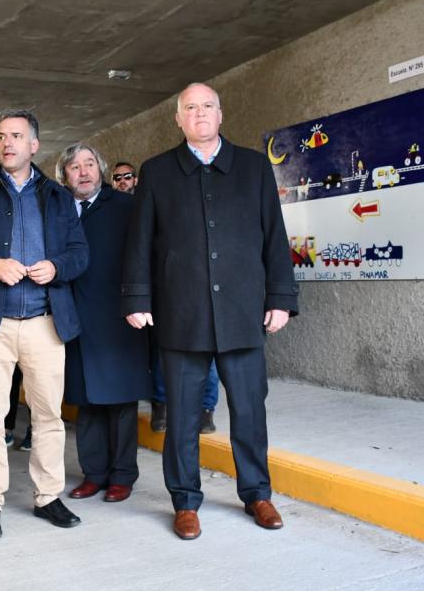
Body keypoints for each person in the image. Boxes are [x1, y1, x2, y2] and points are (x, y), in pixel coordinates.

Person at [122, 83, 298, 540]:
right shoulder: (158, 172)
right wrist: (138, 300)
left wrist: (280, 298)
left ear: (221, 114)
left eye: (207, 106)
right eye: (189, 109)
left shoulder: (255, 168)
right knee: (182, 415)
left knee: (248, 410)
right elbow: (139, 242)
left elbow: (274, 238)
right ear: (178, 120)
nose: (199, 114)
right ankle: (184, 502)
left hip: (242, 313)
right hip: (181, 315)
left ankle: (257, 493)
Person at [0, 109, 89, 541]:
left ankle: (48, 496)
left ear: (34, 145)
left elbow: (81, 254)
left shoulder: (59, 197)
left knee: (48, 418)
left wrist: (56, 267)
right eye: (2, 136)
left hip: (45, 323)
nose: (8, 143)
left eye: (17, 136)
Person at [57, 144, 151, 503]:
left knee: (121, 402)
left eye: (89, 164)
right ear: (64, 175)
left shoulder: (128, 207)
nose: (83, 172)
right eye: (74, 167)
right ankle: (93, 474)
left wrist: (140, 304)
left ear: (101, 169)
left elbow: (144, 259)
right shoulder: (58, 210)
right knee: (86, 401)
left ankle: (123, 476)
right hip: (75, 319)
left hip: (118, 318)